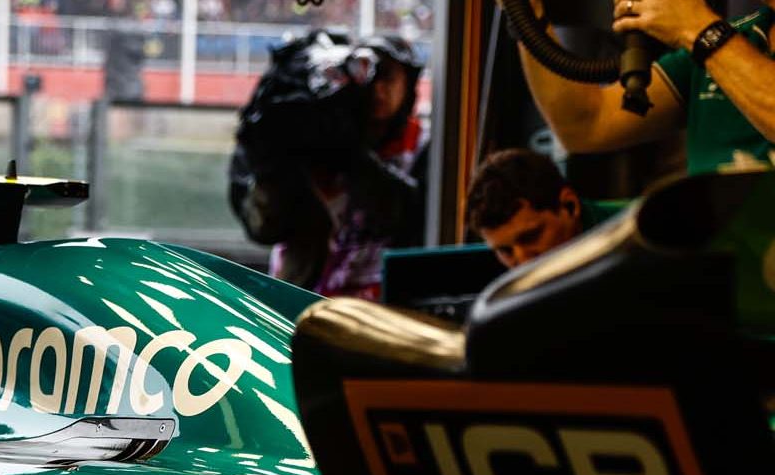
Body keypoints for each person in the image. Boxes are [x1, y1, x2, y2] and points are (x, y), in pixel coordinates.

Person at [230, 33, 426, 298]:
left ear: (409, 85)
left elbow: (408, 217)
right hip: (300, 301)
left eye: (389, 77)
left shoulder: (424, 147)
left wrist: (350, 154)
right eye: (370, 76)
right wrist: (269, 159)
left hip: (385, 313)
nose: (378, 89)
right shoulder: (315, 134)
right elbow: (264, 229)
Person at [515, 0, 773, 174]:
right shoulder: (741, 37)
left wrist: (697, 28)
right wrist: (525, 13)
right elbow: (584, 125)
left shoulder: (714, 41)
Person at [466, 148, 626, 267]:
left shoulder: (639, 235)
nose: (524, 262)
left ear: (569, 206)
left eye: (531, 236)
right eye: (505, 251)